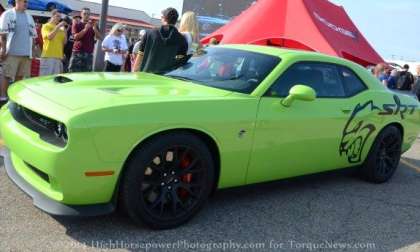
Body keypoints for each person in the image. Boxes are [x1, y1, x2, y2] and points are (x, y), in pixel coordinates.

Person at [0, 0, 38, 102]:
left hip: (26, 53)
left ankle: (14, 98)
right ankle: (3, 97)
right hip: (11, 52)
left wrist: (33, 50)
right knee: (7, 75)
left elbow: (33, 36)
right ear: (17, 1)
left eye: (27, 2)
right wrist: (3, 49)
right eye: (24, 1)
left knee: (20, 76)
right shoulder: (7, 14)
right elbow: (2, 34)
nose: (26, 3)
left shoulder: (29, 16)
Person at [132, 7, 188, 74]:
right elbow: (179, 64)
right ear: (176, 21)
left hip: (146, 77)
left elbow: (139, 58)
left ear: (163, 18)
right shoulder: (182, 39)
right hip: (167, 80)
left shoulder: (149, 34)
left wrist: (134, 73)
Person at [68, 7, 102, 72]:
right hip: (77, 52)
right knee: (73, 73)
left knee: (86, 75)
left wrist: (94, 29)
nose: (86, 15)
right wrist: (85, 29)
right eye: (85, 14)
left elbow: (100, 37)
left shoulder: (93, 25)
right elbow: (75, 37)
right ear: (81, 14)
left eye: (88, 14)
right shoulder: (77, 24)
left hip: (89, 53)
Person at [40, 10, 67, 76]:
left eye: (60, 17)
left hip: (58, 57)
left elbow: (64, 42)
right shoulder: (46, 26)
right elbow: (49, 37)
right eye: (57, 16)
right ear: (52, 16)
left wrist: (65, 30)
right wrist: (58, 26)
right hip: (48, 56)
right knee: (45, 78)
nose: (59, 18)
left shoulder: (61, 29)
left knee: (55, 80)